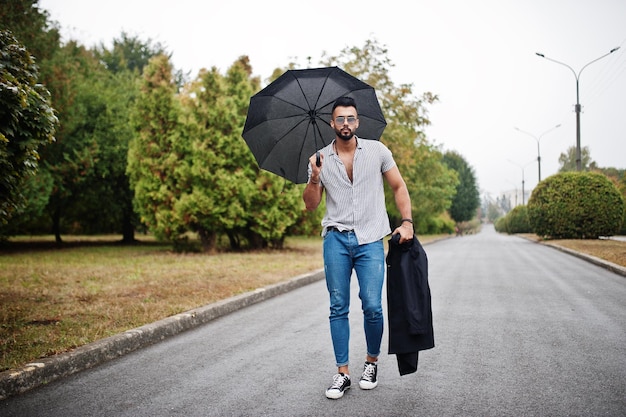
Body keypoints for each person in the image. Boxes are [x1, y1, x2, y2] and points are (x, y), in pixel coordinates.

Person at [303, 96, 414, 399]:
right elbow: (311, 206)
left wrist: (407, 222)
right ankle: (342, 374)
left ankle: (371, 362)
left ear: (358, 121)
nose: (346, 124)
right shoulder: (319, 159)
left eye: (351, 118)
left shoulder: (378, 151)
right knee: (338, 307)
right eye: (340, 119)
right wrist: (314, 178)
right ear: (332, 123)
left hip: (370, 240)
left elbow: (398, 187)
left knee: (373, 306)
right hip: (336, 239)